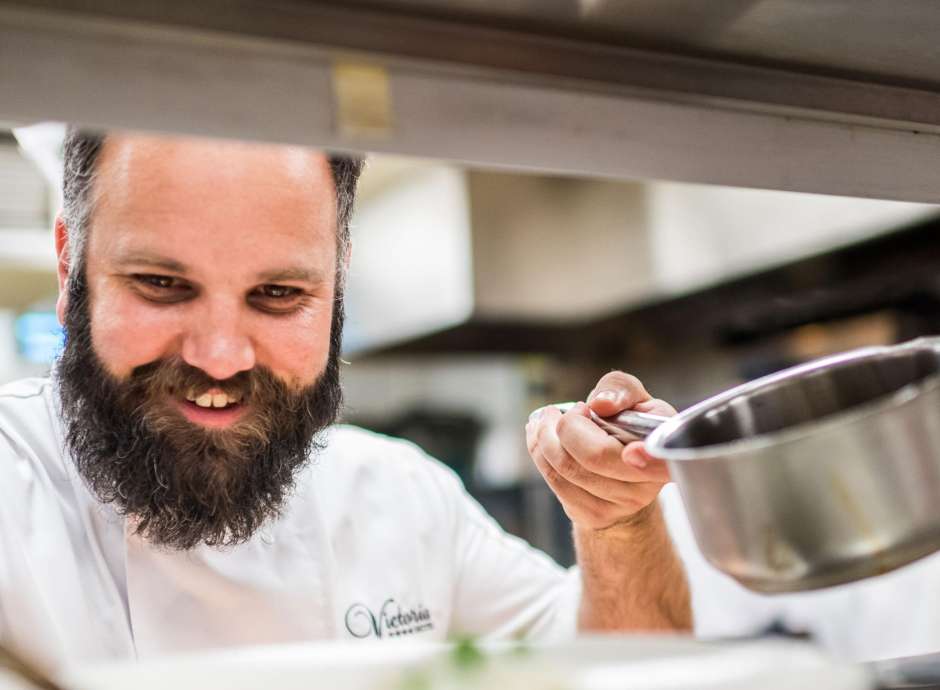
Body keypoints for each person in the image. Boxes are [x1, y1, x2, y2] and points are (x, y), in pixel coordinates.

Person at [0, 129, 690, 670]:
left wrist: (616, 527)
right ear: (70, 266)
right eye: (160, 283)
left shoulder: (402, 499)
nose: (220, 356)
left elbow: (622, 671)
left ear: (338, 281)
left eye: (278, 295)